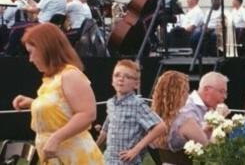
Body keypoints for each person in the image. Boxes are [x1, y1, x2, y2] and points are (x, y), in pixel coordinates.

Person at [11, 23, 103, 164]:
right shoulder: (52, 79)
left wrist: (56, 138)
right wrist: (33, 103)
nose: (30, 59)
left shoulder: (70, 75)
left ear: (45, 49)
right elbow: (61, 109)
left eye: (31, 52)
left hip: (75, 158)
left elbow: (87, 114)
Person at [96, 60, 166, 165]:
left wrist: (135, 150)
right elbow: (106, 128)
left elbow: (160, 127)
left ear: (136, 84)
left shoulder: (137, 104)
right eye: (117, 75)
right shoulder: (111, 103)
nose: (121, 79)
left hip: (127, 162)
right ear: (112, 81)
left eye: (127, 77)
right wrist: (95, 147)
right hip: (109, 160)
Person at [167, 71, 229, 151]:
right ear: (206, 90)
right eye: (221, 91)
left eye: (225, 93)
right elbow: (211, 152)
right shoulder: (188, 109)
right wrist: (218, 118)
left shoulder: (207, 108)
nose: (224, 97)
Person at [151, 70, 190, 149]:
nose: (188, 95)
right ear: (179, 95)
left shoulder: (150, 124)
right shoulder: (184, 124)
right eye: (186, 91)